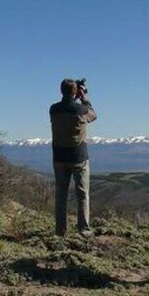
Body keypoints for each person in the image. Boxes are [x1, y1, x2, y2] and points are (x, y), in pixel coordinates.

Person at [50, 78, 98, 237]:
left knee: (61, 195)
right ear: (75, 91)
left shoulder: (54, 109)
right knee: (82, 194)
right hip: (79, 157)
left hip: (59, 157)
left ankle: (60, 231)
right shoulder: (82, 110)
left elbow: (68, 107)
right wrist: (83, 96)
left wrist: (74, 96)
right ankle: (83, 229)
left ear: (60, 90)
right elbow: (93, 115)